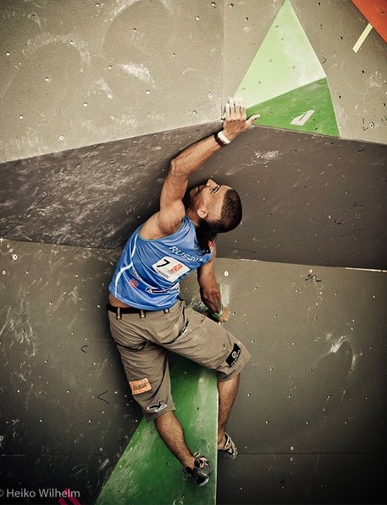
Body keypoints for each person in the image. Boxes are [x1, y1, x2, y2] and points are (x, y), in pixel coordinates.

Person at [107, 98, 259, 487]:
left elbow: (178, 168)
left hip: (124, 325)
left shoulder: (172, 221)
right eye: (213, 183)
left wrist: (227, 135)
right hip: (168, 323)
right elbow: (208, 290)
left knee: (158, 406)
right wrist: (217, 312)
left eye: (213, 190)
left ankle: (193, 465)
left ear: (204, 213)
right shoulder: (206, 247)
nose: (208, 182)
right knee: (234, 361)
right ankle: (219, 437)